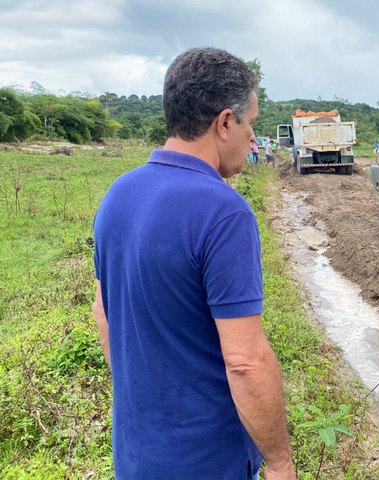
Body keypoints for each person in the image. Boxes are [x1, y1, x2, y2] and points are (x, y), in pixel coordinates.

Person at [92, 47, 296, 480]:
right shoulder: (224, 212)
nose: (254, 140)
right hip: (206, 461)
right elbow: (245, 361)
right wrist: (280, 464)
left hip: (134, 453)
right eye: (251, 124)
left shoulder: (118, 194)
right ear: (224, 122)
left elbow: (104, 312)